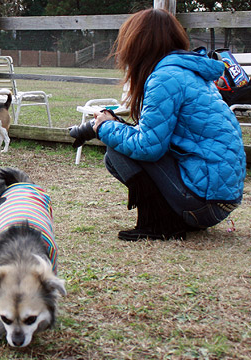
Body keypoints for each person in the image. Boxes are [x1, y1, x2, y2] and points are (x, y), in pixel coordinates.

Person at [91, 8, 246, 241]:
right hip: (221, 200)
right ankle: (172, 218)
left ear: (138, 44)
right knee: (120, 149)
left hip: (204, 203)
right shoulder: (189, 72)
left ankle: (159, 224)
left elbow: (148, 146)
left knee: (116, 153)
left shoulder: (165, 77)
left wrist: (105, 126)